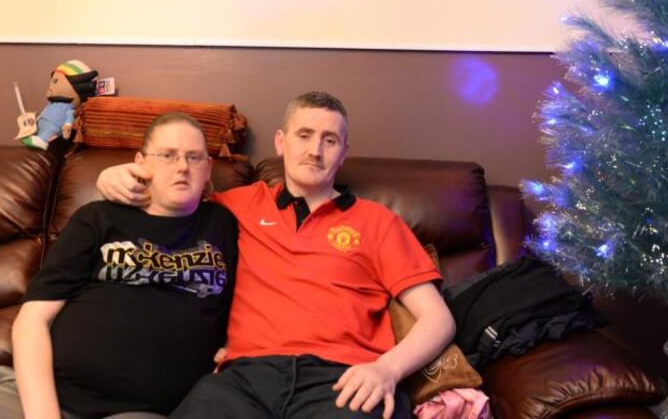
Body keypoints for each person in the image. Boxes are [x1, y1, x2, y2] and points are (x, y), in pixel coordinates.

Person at [95, 92, 455, 419]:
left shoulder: (378, 221)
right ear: (280, 142)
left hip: (343, 380)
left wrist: (386, 370)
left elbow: (438, 320)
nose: (315, 150)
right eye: (304, 135)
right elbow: (173, 188)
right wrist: (114, 176)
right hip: (245, 380)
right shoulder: (236, 206)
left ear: (344, 153)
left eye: (329, 140)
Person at [0, 112, 238, 419]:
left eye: (194, 157)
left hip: (140, 413)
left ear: (208, 168)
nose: (182, 167)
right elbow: (32, 321)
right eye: (167, 155)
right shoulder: (98, 218)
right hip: (45, 394)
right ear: (141, 162)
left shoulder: (227, 224)